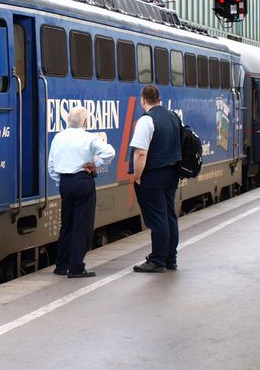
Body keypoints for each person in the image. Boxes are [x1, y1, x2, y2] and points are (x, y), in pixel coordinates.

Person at [47, 106, 115, 278]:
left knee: (67, 224)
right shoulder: (89, 137)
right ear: (85, 122)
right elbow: (109, 152)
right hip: (83, 182)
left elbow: (51, 166)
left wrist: (60, 181)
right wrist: (96, 165)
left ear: (68, 121)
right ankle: (76, 267)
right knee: (82, 225)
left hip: (65, 183)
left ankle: (61, 265)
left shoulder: (58, 137)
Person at [126, 85, 182, 273]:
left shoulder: (146, 120)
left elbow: (140, 153)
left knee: (158, 218)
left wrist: (137, 176)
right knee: (169, 215)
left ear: (143, 100)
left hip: (153, 175)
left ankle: (157, 260)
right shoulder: (174, 116)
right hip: (172, 173)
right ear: (159, 99)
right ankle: (170, 258)